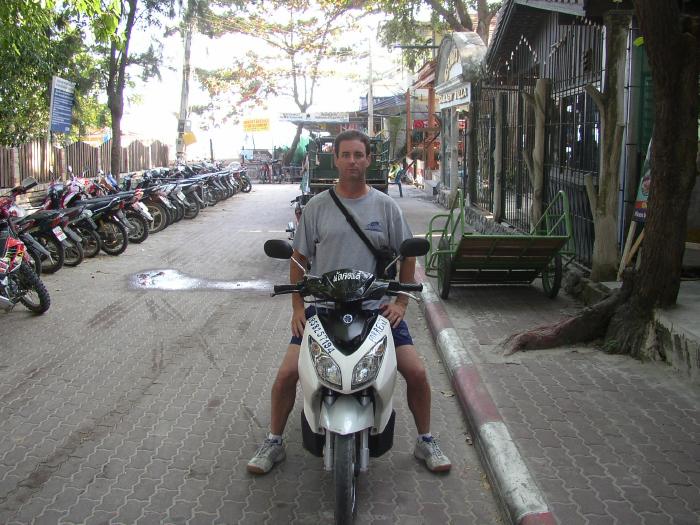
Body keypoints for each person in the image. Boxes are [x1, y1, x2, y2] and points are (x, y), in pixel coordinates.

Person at [247, 130, 451, 475]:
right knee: (286, 374)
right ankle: (274, 440)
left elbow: (407, 255)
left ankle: (426, 439)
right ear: (336, 160)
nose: (353, 161)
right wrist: (298, 307)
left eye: (359, 154)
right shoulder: (317, 207)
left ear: (369, 160)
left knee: (415, 371)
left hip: (376, 309)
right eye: (346, 155)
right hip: (324, 308)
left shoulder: (386, 207)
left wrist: (400, 302)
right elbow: (297, 259)